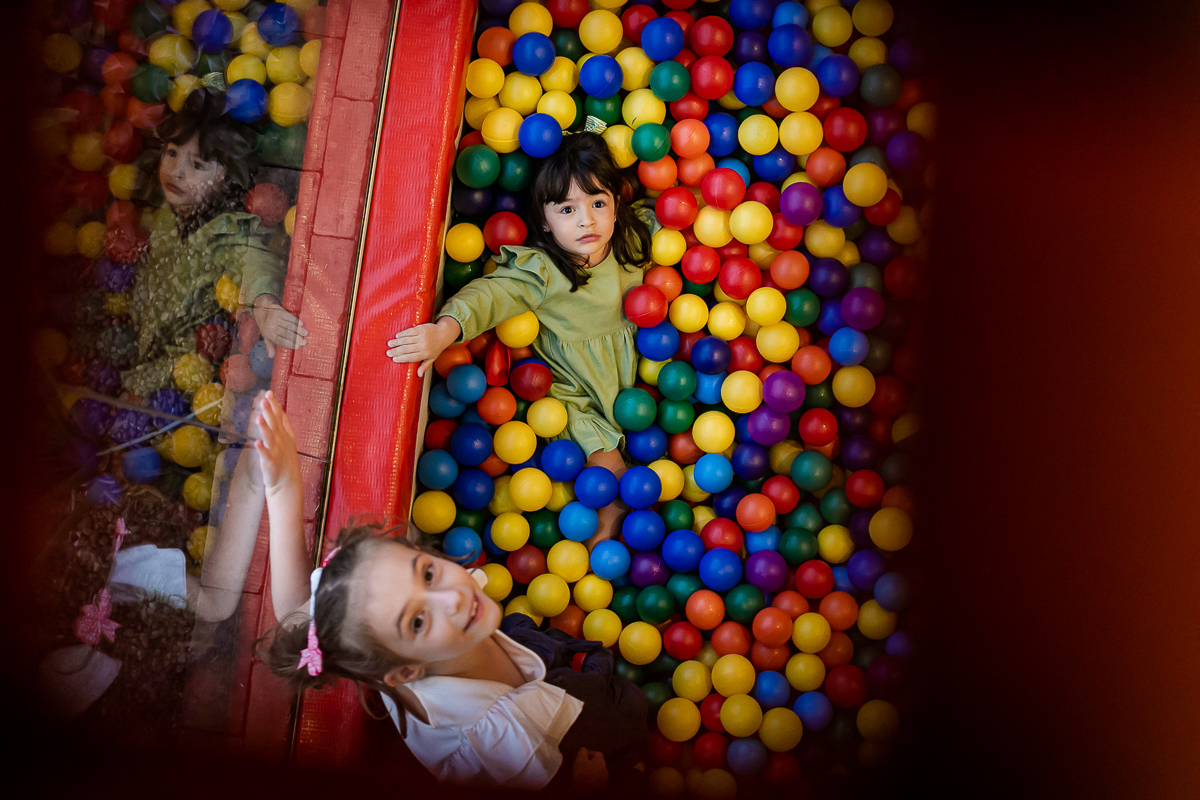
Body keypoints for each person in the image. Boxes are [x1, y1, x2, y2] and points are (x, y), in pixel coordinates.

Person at [252, 393, 649, 792]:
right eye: (419, 621)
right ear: (406, 672)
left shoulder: (366, 627)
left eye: (426, 573)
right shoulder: (498, 748)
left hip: (500, 661)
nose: (452, 597)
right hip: (566, 743)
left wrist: (284, 488)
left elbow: (298, 619)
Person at [386, 130, 661, 548]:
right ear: (545, 223)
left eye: (598, 203)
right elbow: (494, 294)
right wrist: (446, 329)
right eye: (567, 209)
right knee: (611, 481)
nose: (586, 219)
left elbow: (674, 213)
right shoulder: (545, 270)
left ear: (617, 205)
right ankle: (599, 563)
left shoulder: (633, 240)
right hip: (576, 398)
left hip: (636, 385)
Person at [121, 89, 307, 397]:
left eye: (196, 166)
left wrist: (264, 303)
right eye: (171, 153)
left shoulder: (226, 228)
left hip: (186, 379)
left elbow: (253, 258)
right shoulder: (167, 215)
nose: (177, 172)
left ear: (224, 178)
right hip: (141, 351)